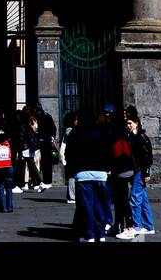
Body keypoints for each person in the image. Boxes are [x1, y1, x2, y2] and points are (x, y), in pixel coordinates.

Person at [65, 110, 114, 243]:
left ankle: (89, 234)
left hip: (83, 173)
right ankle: (101, 234)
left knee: (86, 206)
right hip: (101, 173)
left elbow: (69, 153)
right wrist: (108, 167)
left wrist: (73, 169)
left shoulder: (76, 132)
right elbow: (110, 150)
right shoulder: (103, 131)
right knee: (100, 205)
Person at [127, 117, 155, 236]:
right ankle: (149, 226)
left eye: (130, 123)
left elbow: (148, 156)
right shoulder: (133, 136)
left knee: (134, 197)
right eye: (127, 123)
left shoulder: (140, 137)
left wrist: (147, 172)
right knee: (143, 199)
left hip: (141, 170)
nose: (128, 125)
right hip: (138, 170)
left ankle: (136, 226)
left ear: (136, 123)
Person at [15, 110, 46, 193]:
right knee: (32, 166)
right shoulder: (29, 126)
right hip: (31, 148)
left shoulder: (22, 126)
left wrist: (20, 151)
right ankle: (40, 183)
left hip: (25, 149)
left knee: (22, 166)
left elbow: (21, 139)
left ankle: (18, 185)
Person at [34, 103, 58, 188]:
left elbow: (38, 130)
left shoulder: (38, 117)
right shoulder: (48, 115)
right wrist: (52, 138)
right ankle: (48, 181)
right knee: (48, 162)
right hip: (48, 141)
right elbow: (54, 128)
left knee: (42, 162)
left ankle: (43, 181)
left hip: (41, 141)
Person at [60, 112, 79, 204]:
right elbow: (65, 145)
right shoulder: (70, 131)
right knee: (72, 176)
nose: (77, 121)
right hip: (71, 156)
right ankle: (72, 196)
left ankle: (71, 196)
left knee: (73, 176)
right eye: (75, 119)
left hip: (71, 155)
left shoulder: (71, 131)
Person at [0, 130, 14, 213]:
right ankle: (10, 207)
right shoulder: (8, 144)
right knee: (9, 187)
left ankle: (3, 207)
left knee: (0, 186)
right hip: (8, 167)